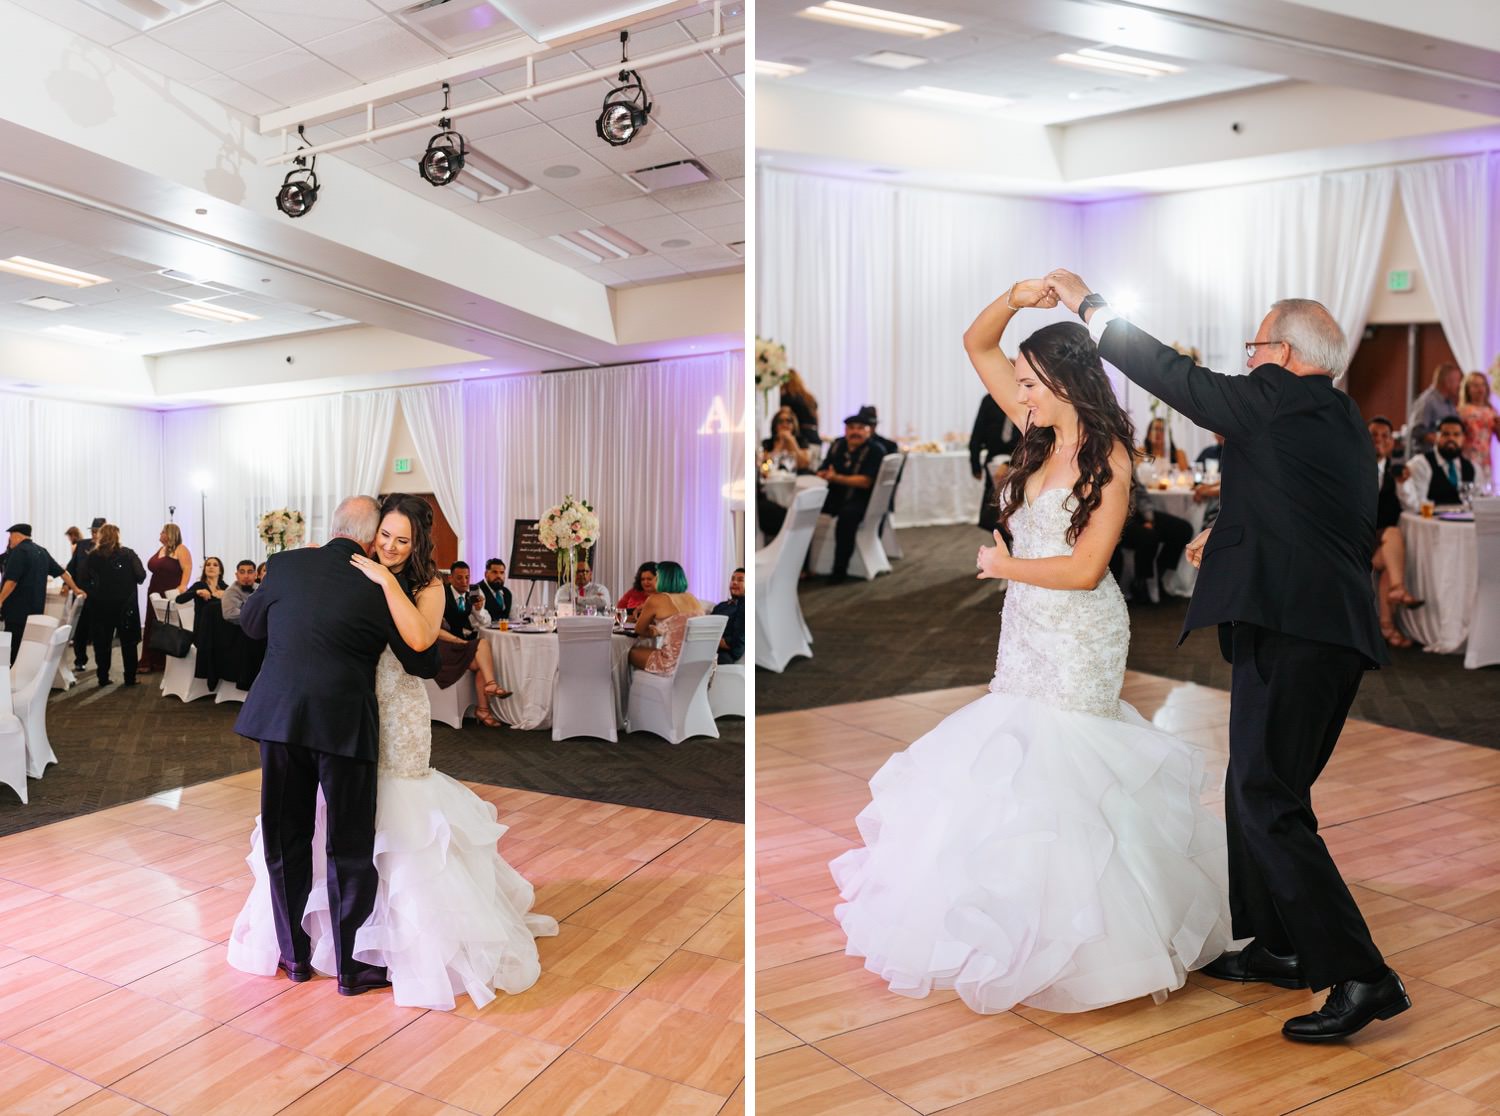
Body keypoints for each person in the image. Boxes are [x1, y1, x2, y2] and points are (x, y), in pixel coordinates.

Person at [831, 280, 1235, 1020]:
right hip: (1025, 626)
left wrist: (1001, 566)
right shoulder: (1034, 427)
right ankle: (1008, 920)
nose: (1016, 389)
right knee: (1014, 760)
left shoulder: (1108, 455)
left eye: (1027, 381)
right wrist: (1014, 297)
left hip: (1080, 629)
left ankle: (1096, 940)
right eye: (1018, 382)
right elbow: (975, 343)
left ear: (1061, 381)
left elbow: (1085, 572)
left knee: (1068, 765)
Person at [1046, 266, 1406, 1040]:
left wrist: (1091, 307)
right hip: (1319, 624)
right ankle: (1279, 944)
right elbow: (1309, 509)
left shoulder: (1277, 398)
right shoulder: (1338, 417)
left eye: (1253, 347)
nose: (1246, 362)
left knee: (1265, 800)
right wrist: (1230, 538)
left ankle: (1362, 974)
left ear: (1282, 350)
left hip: (1295, 629)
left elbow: (1176, 378)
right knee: (1266, 790)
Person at [228, 494, 555, 1008]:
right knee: (349, 845)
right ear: (369, 534)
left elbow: (250, 627)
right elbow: (418, 658)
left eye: (401, 539)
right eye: (385, 536)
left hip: (280, 717)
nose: (390, 546)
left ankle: (293, 956)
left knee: (285, 837)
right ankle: (352, 966)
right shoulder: (369, 584)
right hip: (345, 724)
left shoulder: (289, 564)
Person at [1368, 418, 1423, 650]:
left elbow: (1413, 507)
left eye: (1385, 437)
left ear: (1392, 442)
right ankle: (1389, 623)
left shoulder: (1398, 472)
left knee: (1392, 541)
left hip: (1383, 543)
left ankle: (1387, 624)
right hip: (1360, 541)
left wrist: (1402, 484)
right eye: (1374, 436)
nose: (1379, 441)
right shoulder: (1353, 467)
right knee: (1393, 543)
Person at [817, 410, 889, 583]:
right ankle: (805, 567)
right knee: (804, 509)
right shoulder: (837, 446)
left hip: (862, 499)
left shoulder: (875, 450)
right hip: (835, 496)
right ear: (845, 430)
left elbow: (865, 482)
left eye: (860, 428)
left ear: (868, 430)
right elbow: (822, 470)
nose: (855, 432)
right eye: (851, 428)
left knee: (847, 517)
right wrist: (827, 475)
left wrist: (836, 478)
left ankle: (839, 570)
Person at [0, 524, 84, 664]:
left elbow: (12, 581)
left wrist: (1, 599)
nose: (10, 540)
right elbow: (63, 572)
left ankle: (12, 679)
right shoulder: (41, 551)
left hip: (17, 610)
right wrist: (75, 589)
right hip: (36, 610)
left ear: (17, 535)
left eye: (10, 536)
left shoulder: (19, 552)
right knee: (28, 645)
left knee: (14, 646)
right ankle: (26, 676)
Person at [1114, 472, 1194, 604]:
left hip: (1136, 513)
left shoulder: (1126, 457)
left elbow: (1140, 494)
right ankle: (1141, 583)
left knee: (1182, 529)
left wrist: (1149, 518)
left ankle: (1160, 575)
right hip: (1115, 519)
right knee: (1148, 537)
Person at [81, 524, 145, 686]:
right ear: (117, 536)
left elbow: (83, 580)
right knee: (129, 643)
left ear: (100, 536)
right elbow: (141, 576)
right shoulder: (128, 554)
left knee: (102, 643)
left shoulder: (92, 556)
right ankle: (130, 678)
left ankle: (103, 677)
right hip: (126, 605)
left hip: (100, 606)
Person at [630, 560, 706, 673]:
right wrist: (659, 629)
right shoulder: (692, 598)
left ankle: (635, 688)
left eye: (657, 576)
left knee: (628, 653)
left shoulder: (656, 599)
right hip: (699, 661)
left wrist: (653, 631)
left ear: (661, 578)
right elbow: (679, 625)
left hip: (672, 663)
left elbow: (639, 629)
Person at [140, 523, 192, 676]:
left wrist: (182, 587)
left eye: (162, 532)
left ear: (170, 534)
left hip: (170, 590)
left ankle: (163, 660)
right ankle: (150, 660)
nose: (160, 534)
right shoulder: (162, 550)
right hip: (154, 589)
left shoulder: (180, 549)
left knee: (167, 624)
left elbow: (187, 568)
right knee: (152, 623)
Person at [1399, 416, 1475, 508]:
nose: (1451, 438)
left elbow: (1478, 502)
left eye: (1456, 434)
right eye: (1445, 434)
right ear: (1436, 436)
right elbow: (1416, 504)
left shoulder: (1472, 467)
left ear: (1463, 438)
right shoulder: (1420, 464)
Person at [970, 393, 1019, 533]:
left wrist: (1010, 462)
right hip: (993, 459)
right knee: (994, 513)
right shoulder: (989, 400)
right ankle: (1002, 546)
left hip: (1020, 460)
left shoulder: (1023, 397)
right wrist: (975, 464)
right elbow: (977, 432)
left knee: (1016, 508)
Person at [65, 518, 104, 672]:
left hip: (99, 597)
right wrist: (65, 584)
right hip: (81, 594)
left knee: (99, 631)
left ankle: (102, 665)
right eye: (93, 531)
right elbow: (72, 567)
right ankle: (79, 660)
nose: (94, 534)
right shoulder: (81, 545)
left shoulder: (109, 548)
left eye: (97, 531)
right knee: (80, 630)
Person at [1458, 370, 1497, 493]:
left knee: (1486, 492)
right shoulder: (1462, 411)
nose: (1480, 389)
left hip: (1485, 459)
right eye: (1475, 386)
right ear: (1467, 389)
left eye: (1482, 385)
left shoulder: (1491, 411)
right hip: (1467, 458)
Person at [1409, 362, 1463, 450]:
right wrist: (1443, 441)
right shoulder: (1427, 401)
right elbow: (1416, 430)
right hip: (1428, 459)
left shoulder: (1449, 402)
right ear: (1448, 382)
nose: (1459, 385)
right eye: (1458, 381)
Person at [711, 567, 745, 664]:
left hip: (724, 654)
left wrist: (712, 640)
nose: (734, 582)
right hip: (709, 648)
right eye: (732, 579)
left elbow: (737, 645)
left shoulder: (745, 608)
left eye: (740, 580)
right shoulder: (721, 606)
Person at [781, 368, 819, 443]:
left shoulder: (787, 398)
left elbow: (785, 419)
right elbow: (817, 418)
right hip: (814, 436)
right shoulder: (809, 397)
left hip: (801, 438)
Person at [223, 560, 258, 625]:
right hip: (239, 630)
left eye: (250, 572)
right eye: (242, 572)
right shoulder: (230, 591)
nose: (246, 576)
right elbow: (229, 614)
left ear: (255, 574)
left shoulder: (260, 588)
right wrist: (257, 614)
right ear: (237, 575)